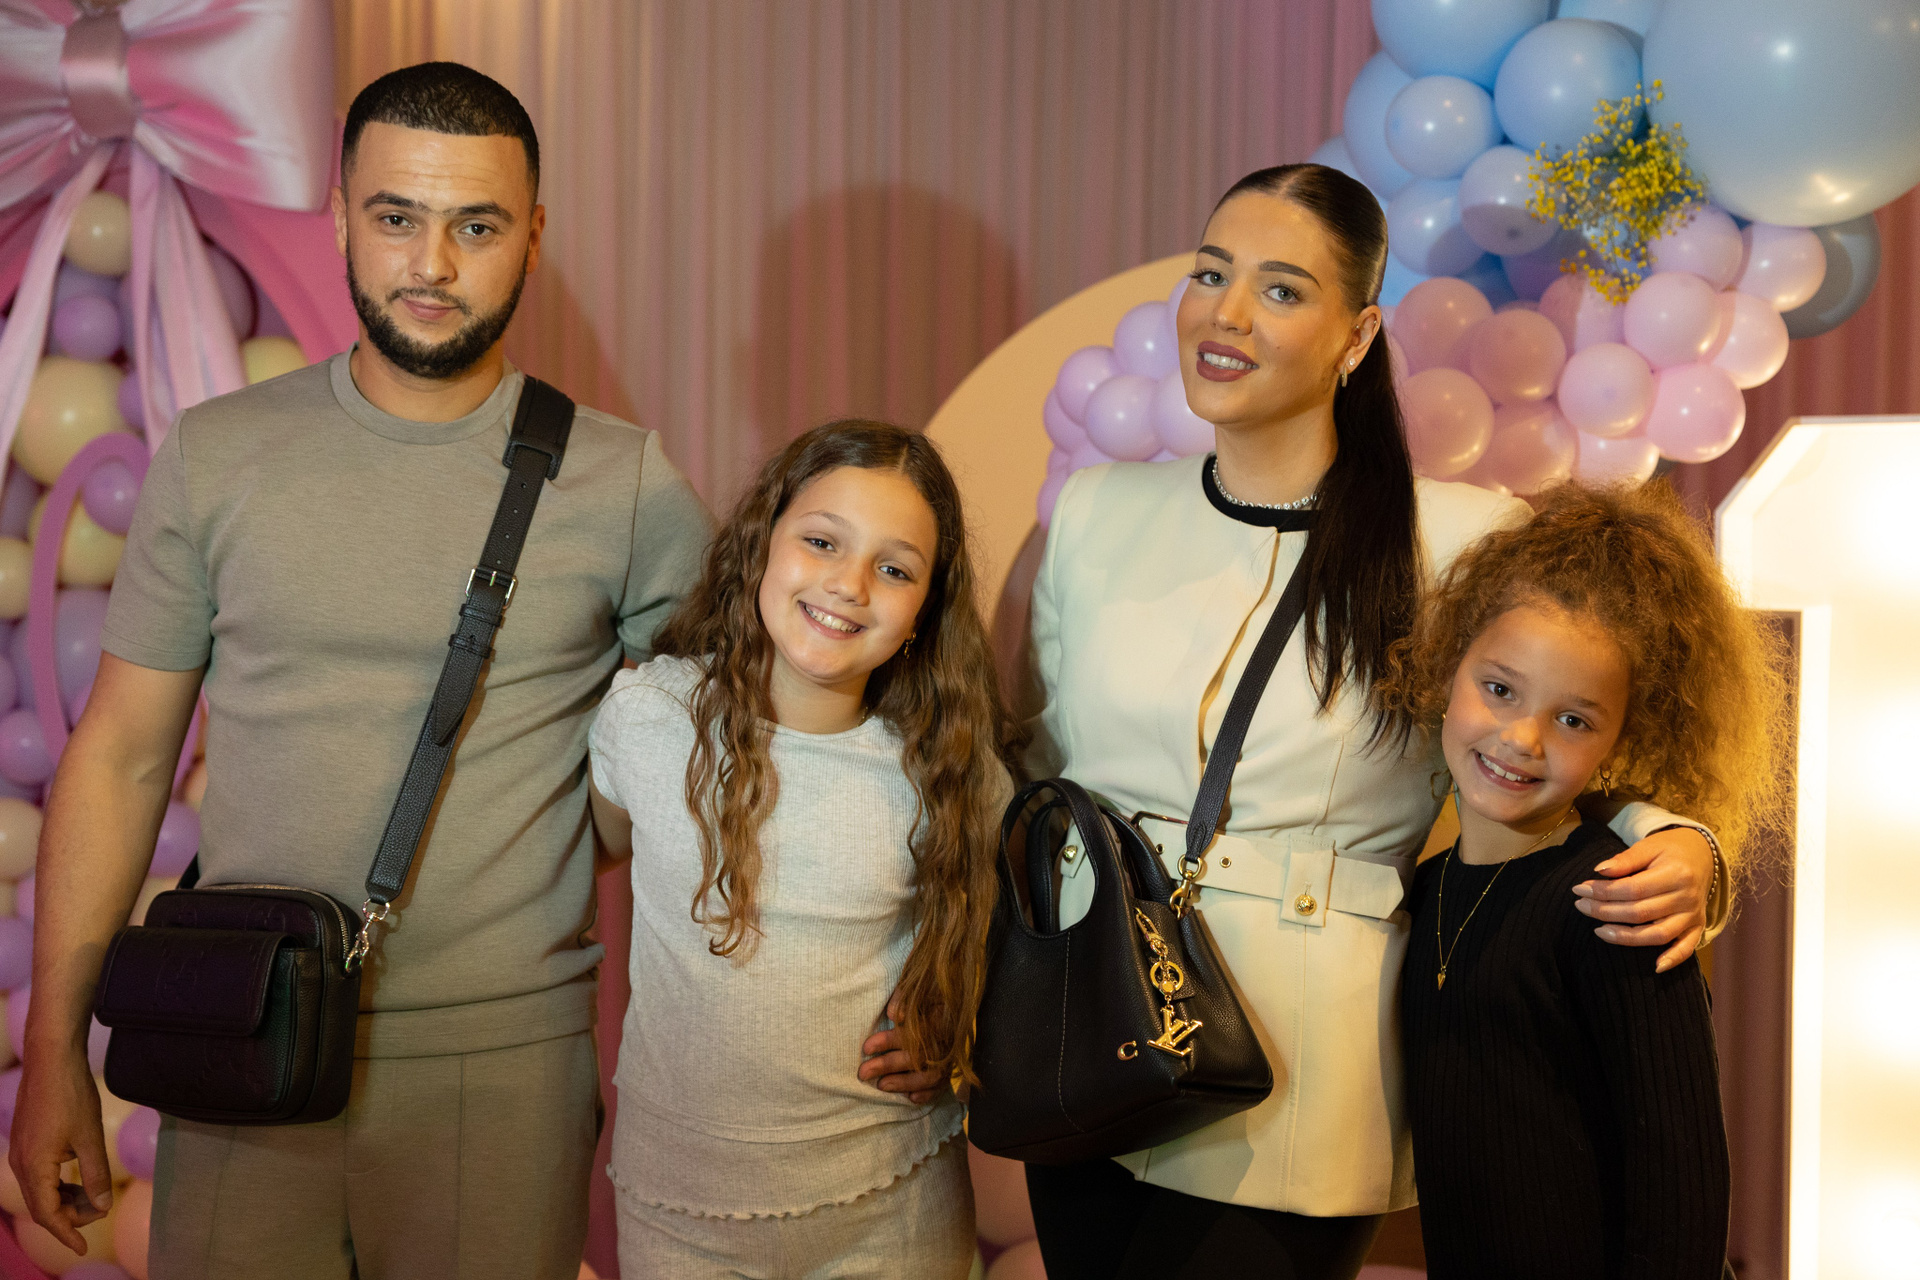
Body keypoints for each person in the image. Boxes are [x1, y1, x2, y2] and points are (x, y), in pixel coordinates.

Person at [961, 163, 1731, 1280]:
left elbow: (1548, 733)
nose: (1227, 314)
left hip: (1295, 1076)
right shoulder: (1096, 512)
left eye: (1280, 289)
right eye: (1211, 274)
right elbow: (1035, 768)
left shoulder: (1457, 538)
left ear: (1358, 334)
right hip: (1093, 1032)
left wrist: (1679, 837)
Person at [10, 63, 712, 1279]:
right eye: (396, 216)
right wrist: (54, 1048)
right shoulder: (217, 455)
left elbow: (740, 753)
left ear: (532, 235)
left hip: (504, 1064)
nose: (431, 263)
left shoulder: (628, 483)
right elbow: (121, 757)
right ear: (340, 218)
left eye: (476, 226)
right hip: (241, 1037)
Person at [586, 421, 1013, 1279]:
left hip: (890, 1203)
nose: (849, 584)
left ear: (923, 613)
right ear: (761, 545)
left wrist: (956, 1014)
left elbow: (999, 938)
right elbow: (600, 846)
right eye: (822, 542)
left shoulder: (946, 771)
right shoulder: (649, 718)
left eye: (895, 569)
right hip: (679, 1205)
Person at [1388, 481, 1783, 1277]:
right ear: (1447, 668)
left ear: (1621, 737)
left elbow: (1682, 1185)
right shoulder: (1425, 890)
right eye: (1499, 689)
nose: (1522, 739)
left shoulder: (1619, 901)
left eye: (1573, 719)